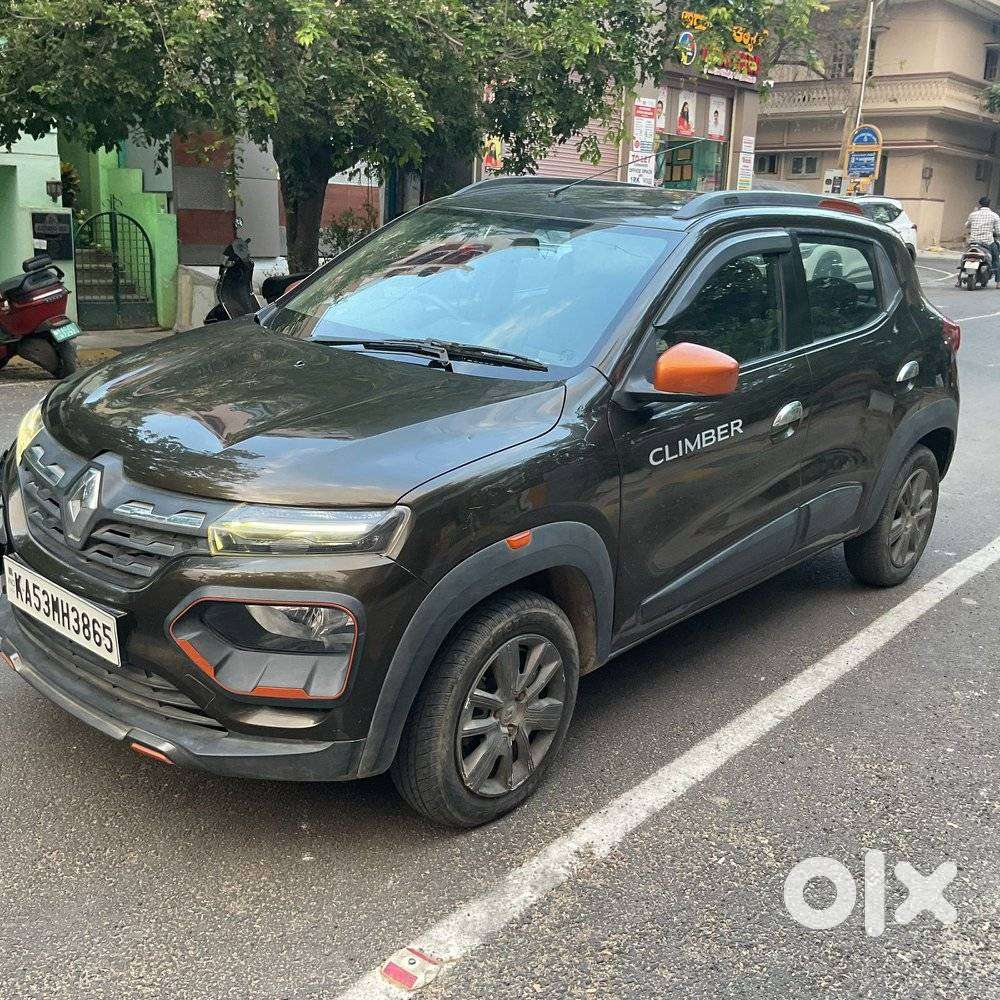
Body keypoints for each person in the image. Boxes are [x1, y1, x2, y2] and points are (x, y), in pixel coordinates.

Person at [964, 195, 1000, 286]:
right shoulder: (994, 216)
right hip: (987, 242)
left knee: (965, 255)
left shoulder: (973, 214)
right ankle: (998, 282)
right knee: (996, 259)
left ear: (980, 204)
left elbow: (966, 226)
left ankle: (960, 275)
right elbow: (998, 231)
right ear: (989, 204)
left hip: (973, 242)